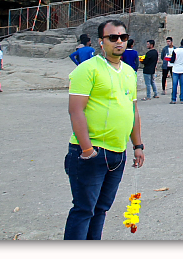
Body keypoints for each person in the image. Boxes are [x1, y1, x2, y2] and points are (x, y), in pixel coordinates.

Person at [64, 19, 144, 240]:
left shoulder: (129, 71)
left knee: (100, 209)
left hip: (118, 153)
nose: (119, 42)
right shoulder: (87, 69)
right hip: (92, 152)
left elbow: (133, 109)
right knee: (83, 210)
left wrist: (137, 145)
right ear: (101, 42)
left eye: (123, 37)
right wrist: (87, 149)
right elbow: (76, 111)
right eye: (113, 38)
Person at [168, 39, 183, 104]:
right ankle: (182, 99)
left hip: (176, 69)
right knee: (182, 85)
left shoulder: (175, 51)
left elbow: (172, 60)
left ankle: (173, 99)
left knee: (175, 85)